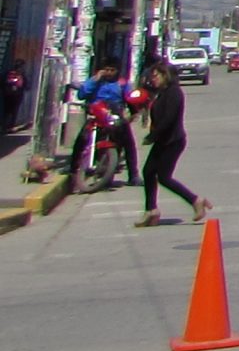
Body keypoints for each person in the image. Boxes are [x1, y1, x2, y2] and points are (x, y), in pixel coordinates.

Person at [130, 60, 206, 228]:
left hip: (172, 140)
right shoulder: (162, 92)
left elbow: (169, 119)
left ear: (165, 75)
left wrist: (152, 136)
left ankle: (195, 201)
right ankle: (151, 211)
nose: (153, 79)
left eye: (156, 76)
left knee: (163, 177)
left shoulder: (174, 93)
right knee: (149, 172)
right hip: (163, 139)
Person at [77, 57, 137, 187]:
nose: (109, 72)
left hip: (115, 116)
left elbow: (130, 99)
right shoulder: (95, 81)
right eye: (106, 70)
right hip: (96, 116)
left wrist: (132, 114)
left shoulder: (122, 84)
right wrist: (95, 79)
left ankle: (134, 175)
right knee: (80, 141)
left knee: (129, 144)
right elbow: (82, 94)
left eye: (112, 70)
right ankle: (72, 171)